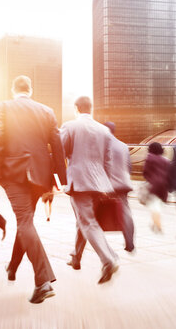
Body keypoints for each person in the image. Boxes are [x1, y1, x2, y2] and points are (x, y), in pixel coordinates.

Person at [0, 75, 67, 304]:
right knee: (26, 222)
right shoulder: (46, 111)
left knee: (24, 221)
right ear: (30, 90)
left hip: (14, 174)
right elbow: (57, 145)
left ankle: (42, 281)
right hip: (40, 176)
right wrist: (60, 179)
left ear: (13, 90)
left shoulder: (3, 107)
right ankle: (13, 267)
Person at [61, 97, 119, 284]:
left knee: (87, 222)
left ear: (76, 108)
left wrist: (60, 180)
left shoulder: (70, 126)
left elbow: (61, 152)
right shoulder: (104, 130)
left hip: (79, 182)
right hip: (99, 183)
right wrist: (107, 186)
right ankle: (75, 258)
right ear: (91, 109)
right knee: (84, 220)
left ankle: (108, 259)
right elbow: (108, 160)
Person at [103, 121, 135, 253]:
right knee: (126, 212)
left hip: (109, 185)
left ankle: (101, 246)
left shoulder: (103, 145)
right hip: (124, 183)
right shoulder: (123, 145)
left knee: (95, 214)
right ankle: (129, 243)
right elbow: (129, 166)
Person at [142, 142, 169, 234]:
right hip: (164, 187)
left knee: (154, 207)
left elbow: (145, 172)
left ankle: (159, 227)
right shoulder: (166, 160)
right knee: (157, 206)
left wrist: (150, 180)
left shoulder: (149, 158)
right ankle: (154, 224)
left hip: (154, 186)